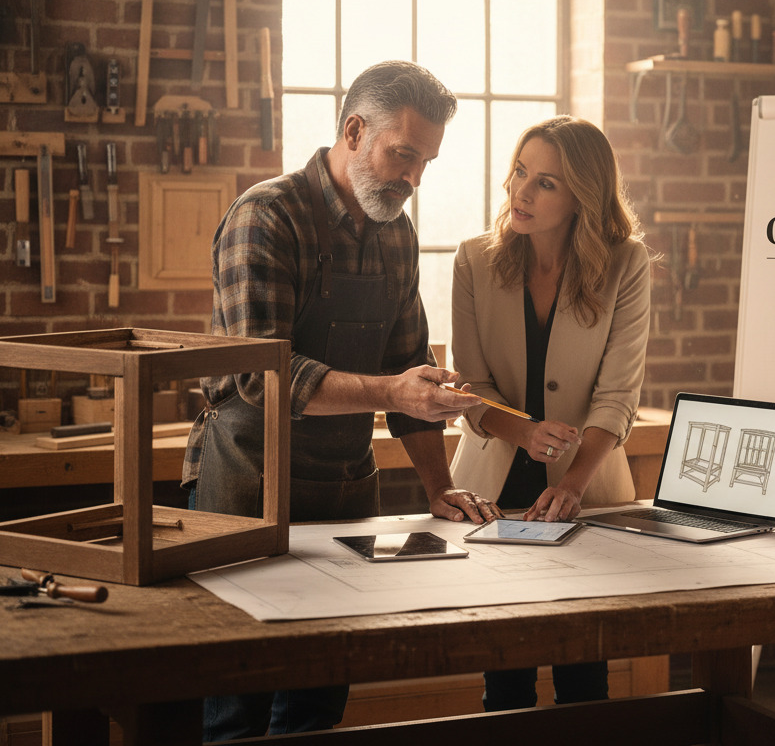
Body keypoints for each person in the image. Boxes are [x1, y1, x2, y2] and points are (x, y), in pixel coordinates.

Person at [183, 60, 497, 741]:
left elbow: (404, 365)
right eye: (402, 156)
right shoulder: (266, 217)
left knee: (319, 701)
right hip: (249, 487)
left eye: (425, 163)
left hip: (346, 489)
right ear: (354, 130)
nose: (412, 181)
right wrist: (391, 390)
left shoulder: (395, 234)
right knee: (236, 704)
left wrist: (439, 488)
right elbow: (264, 377)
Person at [449, 115, 651, 710]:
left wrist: (571, 483)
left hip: (587, 487)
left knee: (584, 677)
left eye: (545, 183)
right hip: (489, 491)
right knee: (504, 681)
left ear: (582, 195)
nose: (520, 191)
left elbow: (617, 396)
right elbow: (471, 387)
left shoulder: (625, 263)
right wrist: (526, 431)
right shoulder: (473, 261)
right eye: (519, 172)